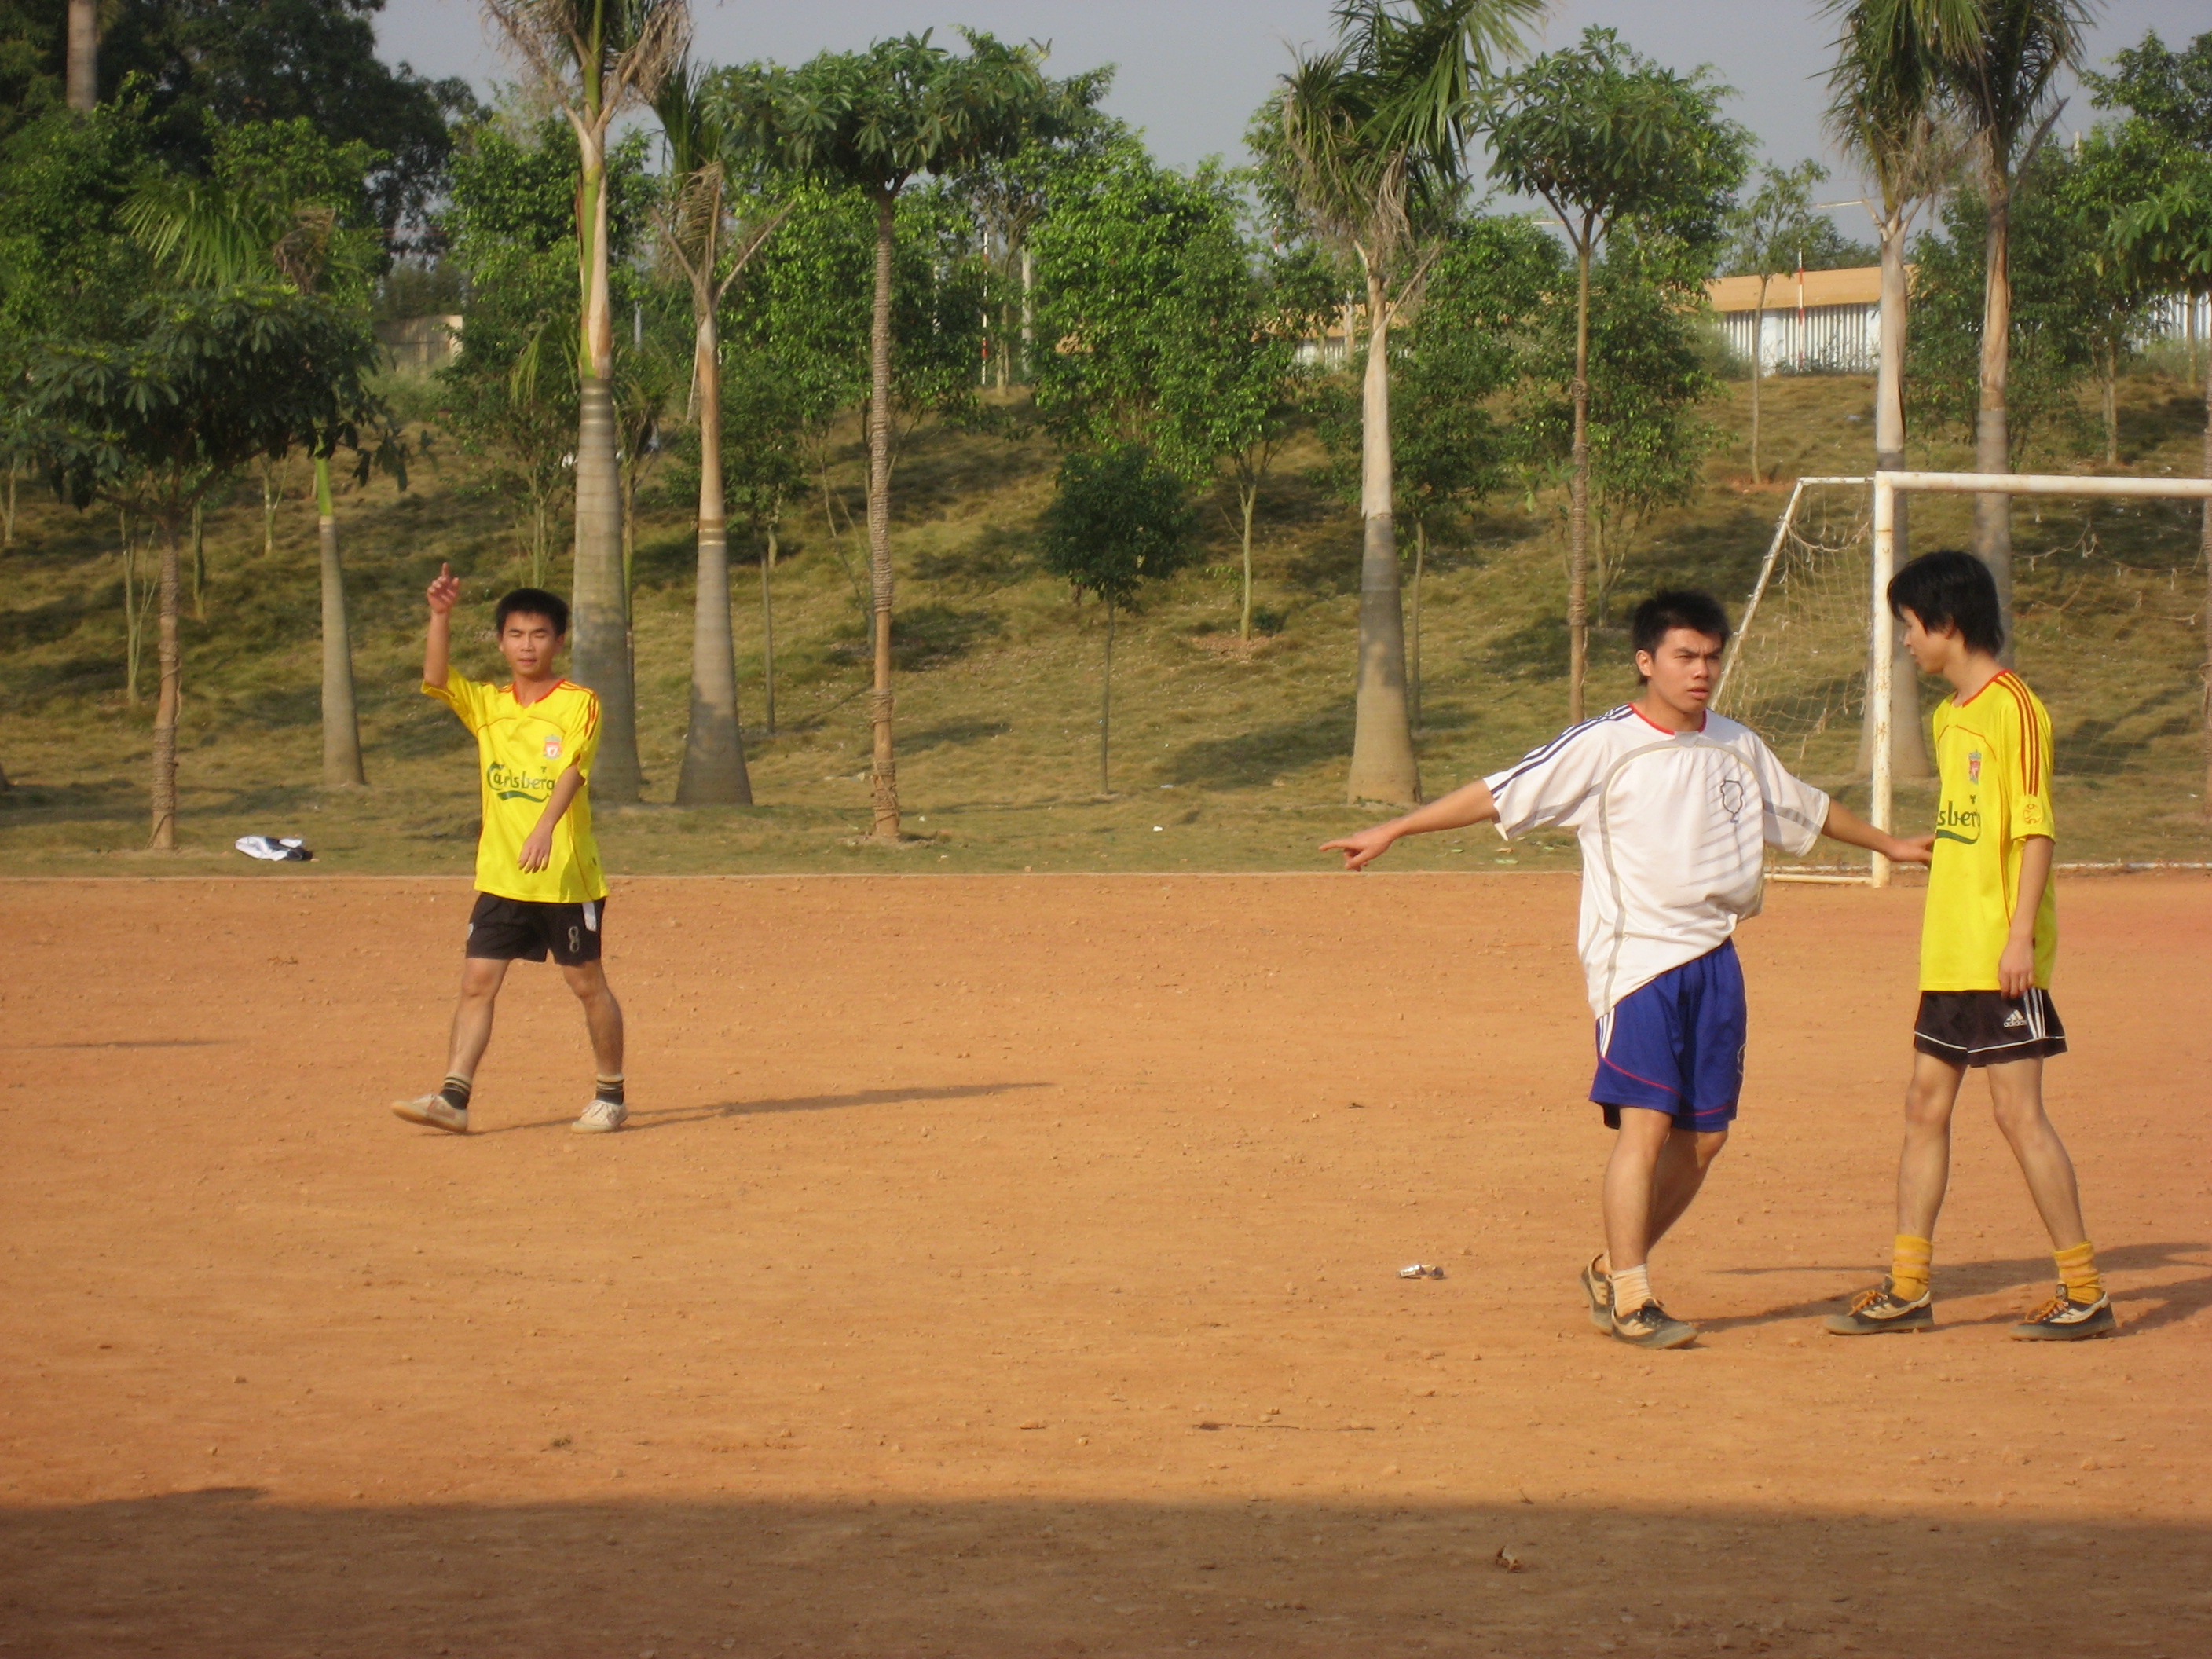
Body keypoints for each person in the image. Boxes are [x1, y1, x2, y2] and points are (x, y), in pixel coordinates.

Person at [1323, 590, 1928, 1349]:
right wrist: (1398, 826)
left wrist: (1890, 846)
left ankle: (1614, 1267)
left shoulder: (1737, 745)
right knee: (1645, 1129)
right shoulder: (1604, 745)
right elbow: (1499, 791)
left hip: (1715, 958)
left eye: (1711, 656)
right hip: (1637, 962)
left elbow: (1808, 810)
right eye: (1684, 656)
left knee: (1704, 1141)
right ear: (1647, 663)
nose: (1701, 671)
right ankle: (1634, 1299)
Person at [1826, 551, 2111, 1340]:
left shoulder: (2011, 708)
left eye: (1910, 628)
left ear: (1946, 624)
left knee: (2016, 1115)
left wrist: (2019, 937)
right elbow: (1975, 824)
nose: (1906, 644)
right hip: (1948, 954)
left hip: (1998, 956)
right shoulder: (1950, 717)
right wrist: (1932, 849)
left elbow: (2034, 829)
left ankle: (2083, 1290)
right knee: (1923, 1107)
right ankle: (1909, 1286)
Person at [391, 564, 628, 1136]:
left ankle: (610, 1093)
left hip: (563, 876)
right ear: (500, 641)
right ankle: (454, 1096)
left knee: (585, 983)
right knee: (477, 982)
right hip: (501, 876)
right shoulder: (488, 704)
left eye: (540, 634)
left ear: (559, 641)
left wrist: (546, 826)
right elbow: (437, 676)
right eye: (516, 634)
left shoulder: (579, 703)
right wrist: (440, 614)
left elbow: (574, 768)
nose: (527, 645)